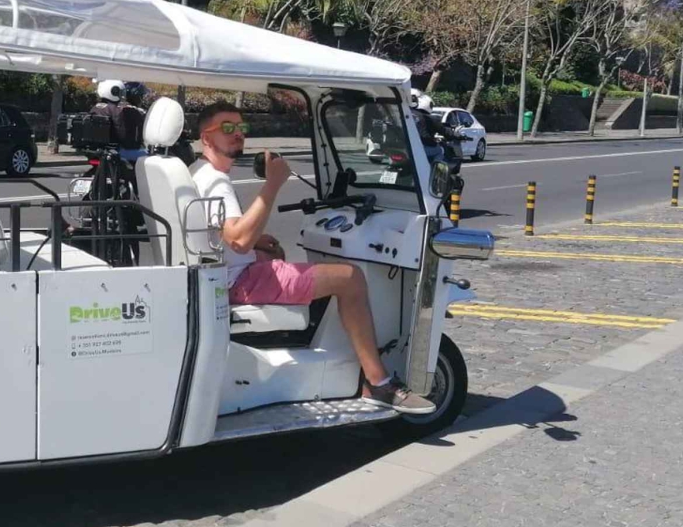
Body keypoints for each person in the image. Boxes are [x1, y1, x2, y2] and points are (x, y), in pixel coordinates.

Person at [191, 101, 434, 414]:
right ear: (206, 138)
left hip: (226, 272)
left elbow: (223, 231)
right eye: (227, 128)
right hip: (239, 281)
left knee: (274, 250)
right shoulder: (216, 181)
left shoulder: (198, 172)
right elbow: (239, 239)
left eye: (242, 128)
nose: (238, 134)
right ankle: (378, 383)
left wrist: (259, 244)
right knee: (350, 279)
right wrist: (273, 183)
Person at [89, 79, 146, 160]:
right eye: (121, 92)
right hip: (117, 150)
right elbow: (122, 135)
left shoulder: (95, 108)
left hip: (96, 149)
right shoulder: (118, 110)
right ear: (114, 91)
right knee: (147, 155)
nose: (123, 95)